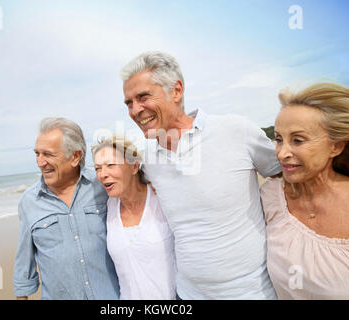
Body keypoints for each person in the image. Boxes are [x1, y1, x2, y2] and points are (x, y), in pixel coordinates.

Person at [120, 51, 282, 299]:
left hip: (252, 292)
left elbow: (289, 175)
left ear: (176, 91)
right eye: (129, 103)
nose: (135, 110)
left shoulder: (236, 130)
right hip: (189, 295)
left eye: (143, 97)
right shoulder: (149, 162)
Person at [260, 83, 349, 299]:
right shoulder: (271, 197)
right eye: (279, 139)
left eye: (298, 140)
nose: (282, 153)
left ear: (336, 146)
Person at [13, 117, 119, 300]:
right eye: (37, 154)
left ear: (76, 157)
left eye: (48, 154)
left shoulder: (102, 185)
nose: (40, 162)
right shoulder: (29, 202)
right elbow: (24, 270)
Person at [92, 136, 177, 300]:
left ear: (134, 166)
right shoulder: (108, 206)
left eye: (111, 165)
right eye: (97, 168)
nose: (103, 174)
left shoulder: (161, 197)